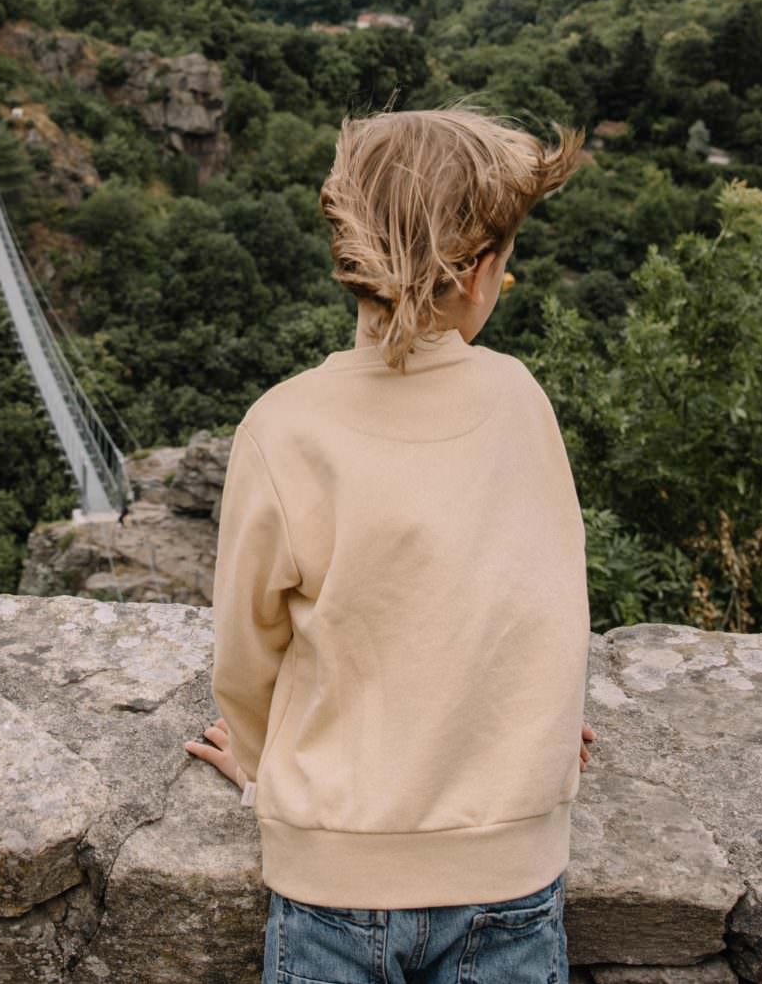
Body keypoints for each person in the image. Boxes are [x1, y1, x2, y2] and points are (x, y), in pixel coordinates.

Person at [183, 103, 597, 984]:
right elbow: (546, 604)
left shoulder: (282, 426)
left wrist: (263, 767)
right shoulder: (521, 400)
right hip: (510, 876)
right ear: (481, 273)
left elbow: (246, 660)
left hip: (332, 881)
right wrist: (537, 729)